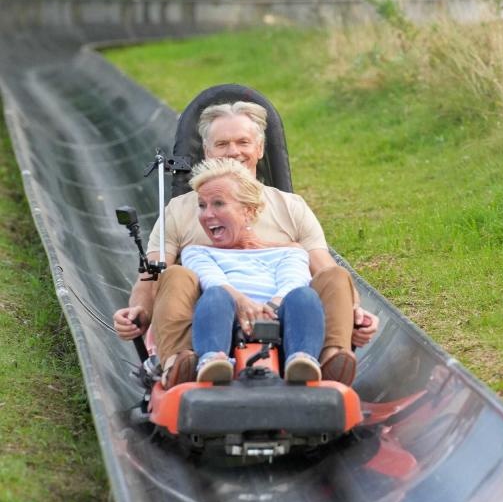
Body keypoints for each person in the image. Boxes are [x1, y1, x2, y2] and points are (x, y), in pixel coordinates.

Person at [113, 99, 377, 386]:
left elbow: (323, 271)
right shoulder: (181, 210)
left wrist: (353, 311)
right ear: (206, 151)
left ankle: (326, 360)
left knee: (336, 275)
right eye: (222, 143)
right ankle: (183, 360)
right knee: (175, 274)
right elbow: (151, 274)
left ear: (260, 149)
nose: (233, 152)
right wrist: (140, 309)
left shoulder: (290, 207)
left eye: (243, 142)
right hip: (208, 312)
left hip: (284, 308)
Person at [182, 158, 324, 384]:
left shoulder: (288, 252)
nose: (207, 214)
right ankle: (213, 361)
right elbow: (211, 279)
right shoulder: (197, 252)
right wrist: (241, 302)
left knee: (304, 296)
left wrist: (269, 308)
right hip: (226, 321)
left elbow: (294, 280)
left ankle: (302, 360)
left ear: (248, 212)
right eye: (202, 205)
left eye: (218, 203)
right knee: (217, 294)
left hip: (279, 317)